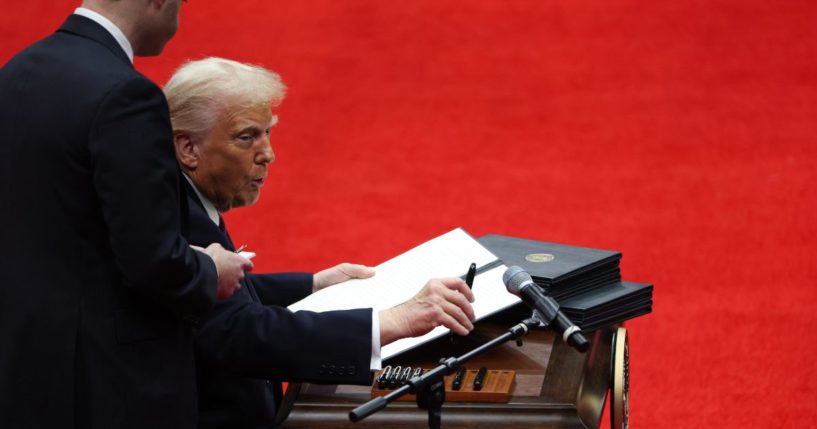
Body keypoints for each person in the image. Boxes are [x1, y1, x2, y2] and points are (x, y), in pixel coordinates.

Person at [163, 57, 477, 429]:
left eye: (268, 133)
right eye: (247, 137)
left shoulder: (185, 203)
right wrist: (393, 322)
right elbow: (240, 333)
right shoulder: (176, 222)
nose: (268, 154)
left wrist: (313, 285)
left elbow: (223, 301)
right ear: (188, 149)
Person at [0, 2, 252, 428]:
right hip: (106, 386)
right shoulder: (126, 94)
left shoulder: (16, 70)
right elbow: (153, 260)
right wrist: (211, 269)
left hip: (24, 369)